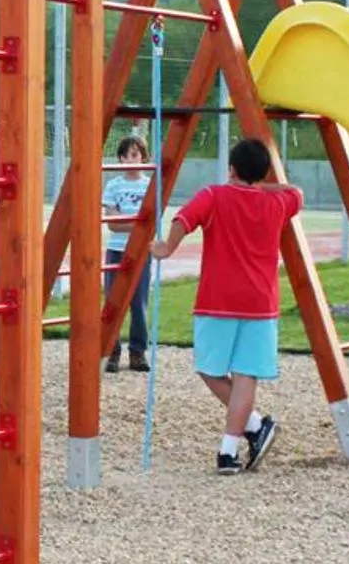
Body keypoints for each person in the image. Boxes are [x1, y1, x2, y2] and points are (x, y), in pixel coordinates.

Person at [150, 137, 301, 474]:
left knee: (209, 368)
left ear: (231, 169)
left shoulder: (214, 195)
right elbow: (296, 192)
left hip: (218, 299)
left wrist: (166, 249)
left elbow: (184, 220)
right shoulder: (276, 203)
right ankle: (232, 448)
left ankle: (247, 433)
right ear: (262, 174)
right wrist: (262, 186)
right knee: (245, 375)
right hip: (260, 302)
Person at [101, 134, 155, 373]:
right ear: (120, 159)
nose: (131, 159)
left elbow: (152, 220)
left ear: (143, 157)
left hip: (141, 251)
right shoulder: (114, 185)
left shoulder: (150, 186)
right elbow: (112, 222)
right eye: (126, 155)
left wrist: (134, 223)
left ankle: (137, 352)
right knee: (113, 301)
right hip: (117, 249)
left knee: (139, 302)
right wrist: (138, 224)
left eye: (136, 154)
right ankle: (111, 351)